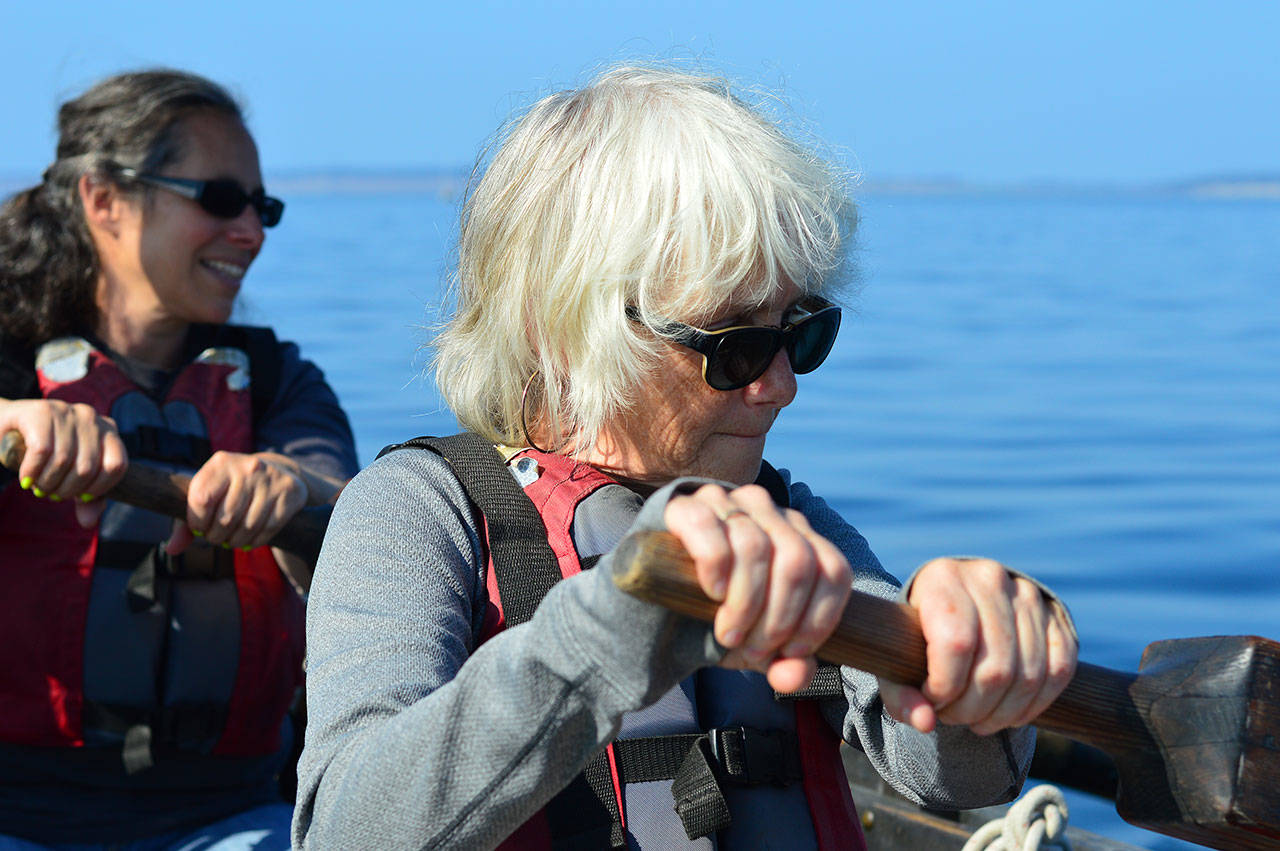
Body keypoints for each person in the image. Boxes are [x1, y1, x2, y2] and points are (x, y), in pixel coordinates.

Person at [295, 65, 1077, 850]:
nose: (780, 387)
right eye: (734, 345)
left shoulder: (790, 520)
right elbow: (343, 831)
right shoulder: (418, 511)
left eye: (800, 334)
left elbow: (961, 780)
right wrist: (609, 629)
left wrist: (977, 652)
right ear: (560, 338)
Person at [0, 70, 357, 848]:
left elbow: (351, 514)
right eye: (221, 200)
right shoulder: (9, 365)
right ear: (104, 200)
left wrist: (288, 483)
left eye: (261, 209)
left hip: (229, 818)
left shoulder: (277, 383)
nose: (252, 232)